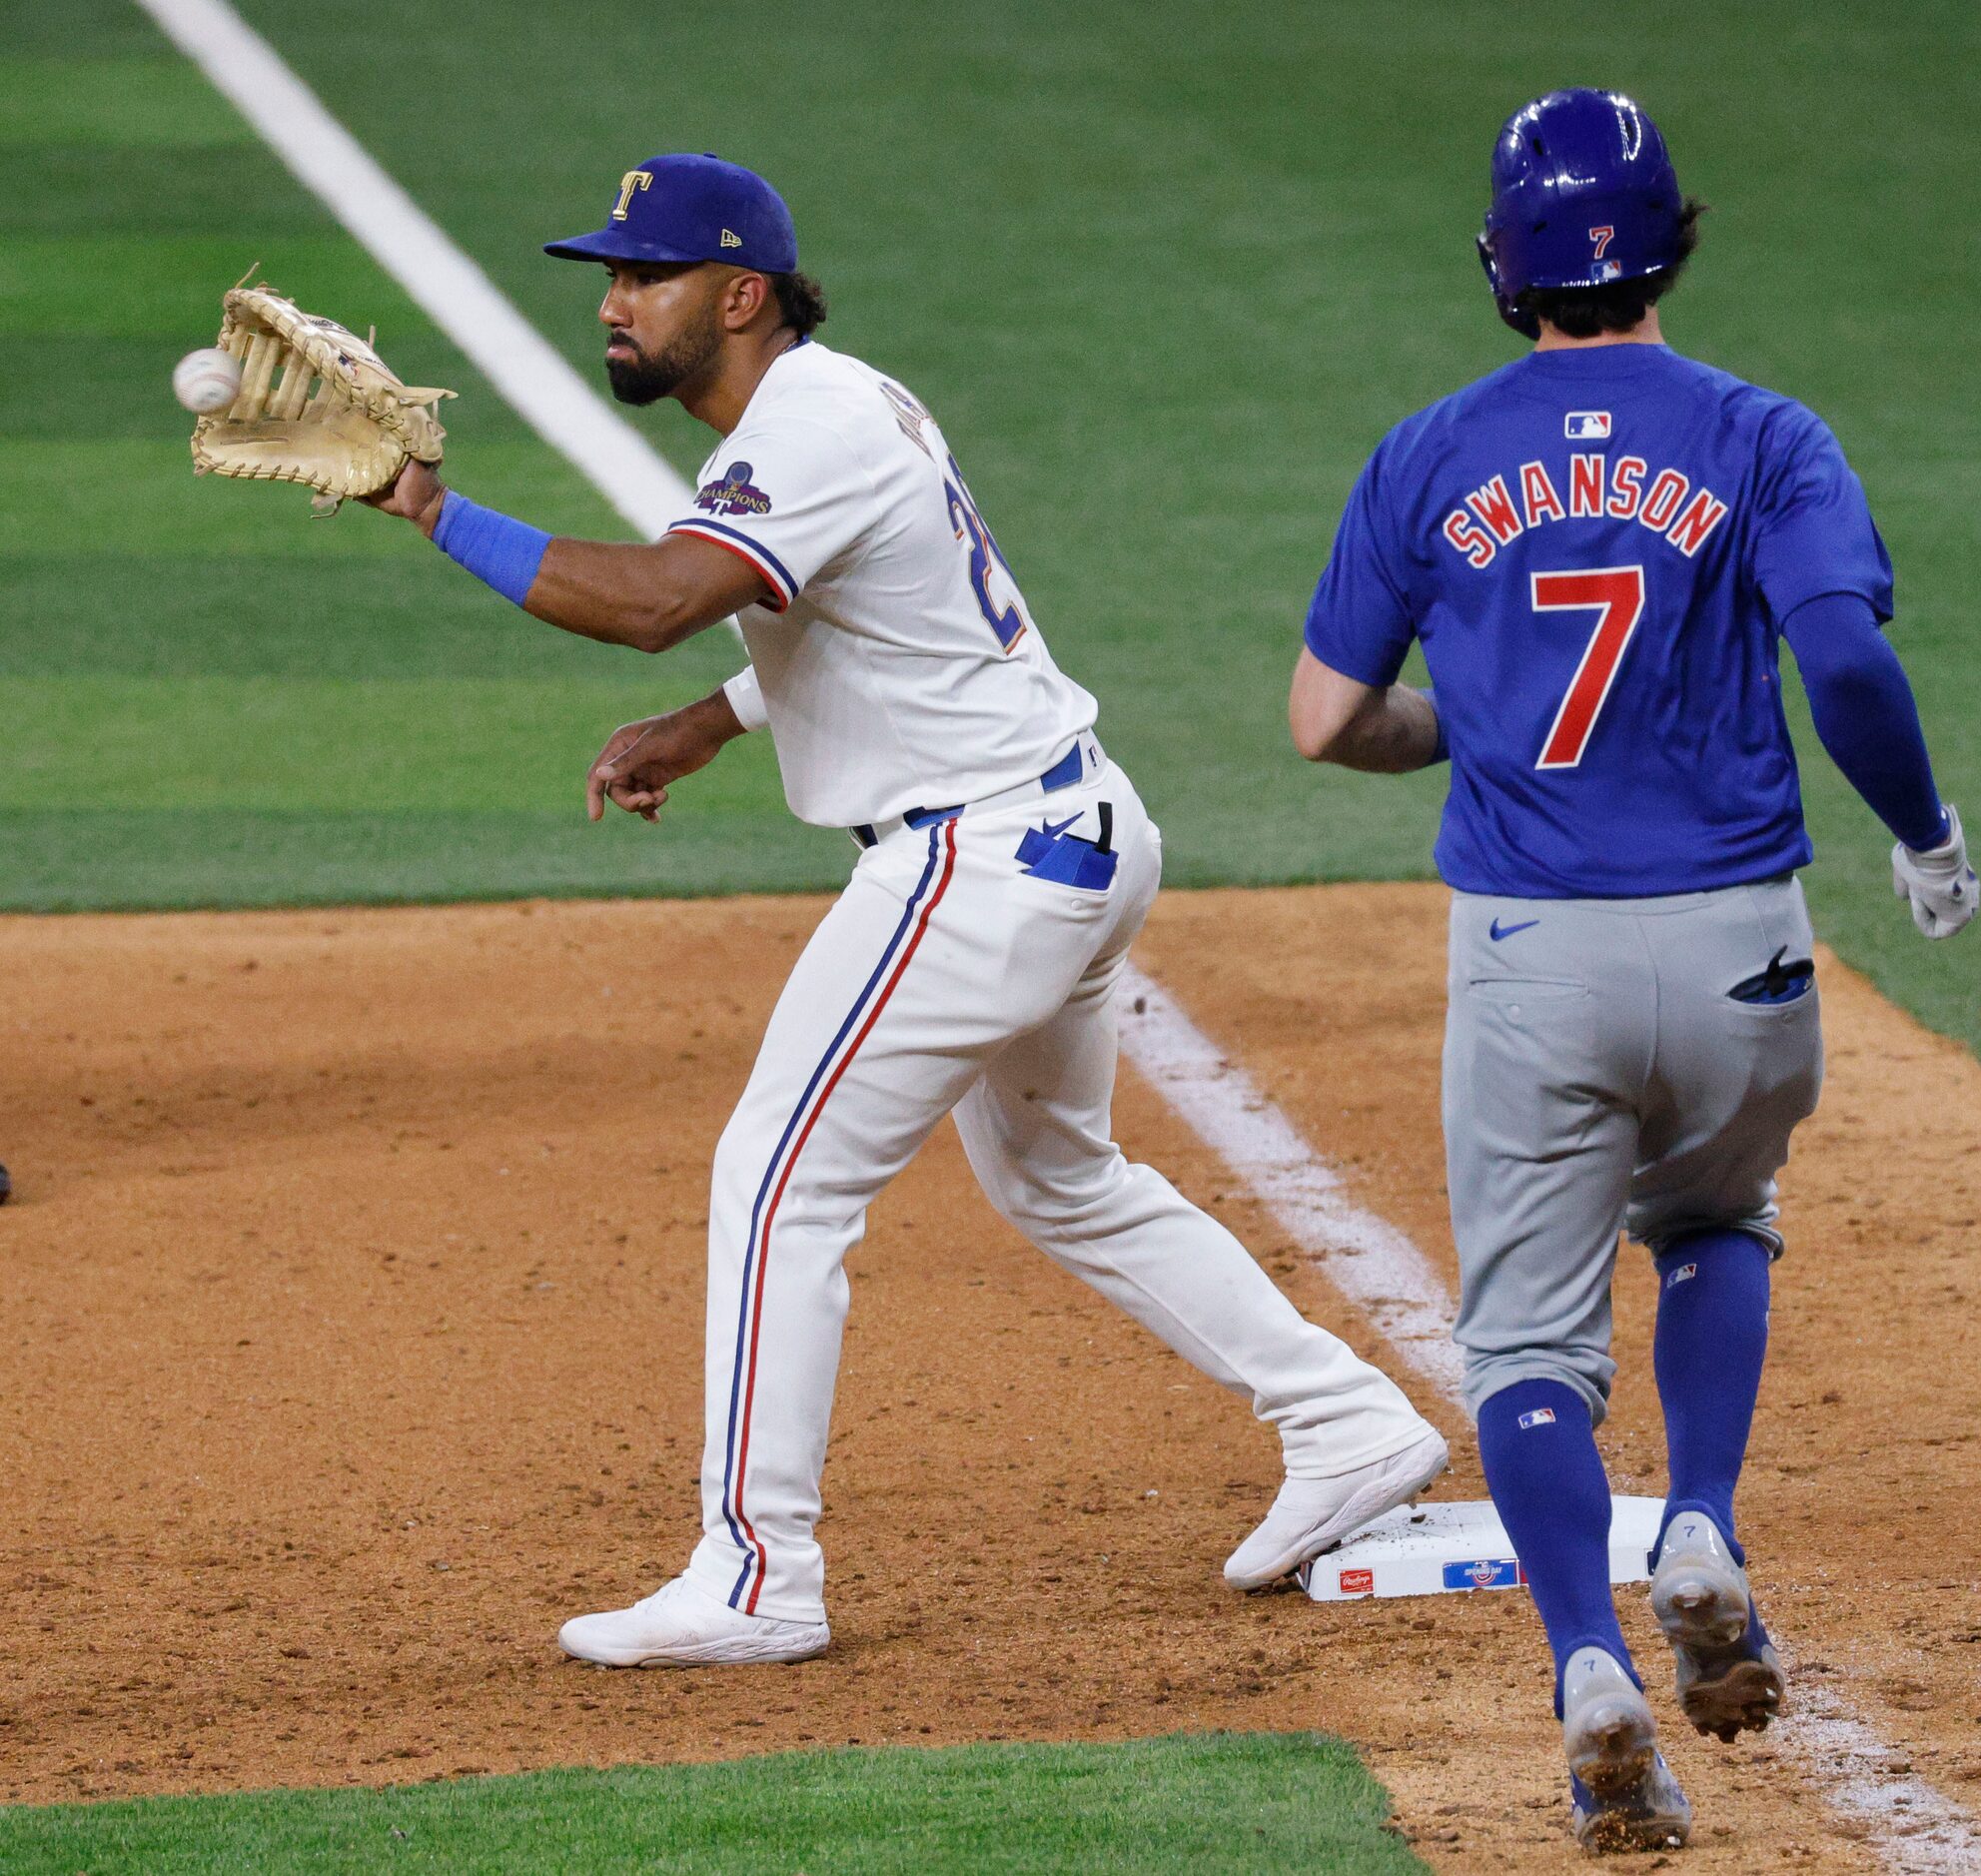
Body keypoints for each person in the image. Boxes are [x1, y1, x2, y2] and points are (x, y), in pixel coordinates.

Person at [362, 153, 1447, 1667]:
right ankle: (1347, 1422)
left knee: (774, 1178)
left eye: (642, 276)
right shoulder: (835, 404)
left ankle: (756, 1573)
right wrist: (717, 723)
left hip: (979, 863)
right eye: (606, 277)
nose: (611, 304)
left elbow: (650, 596)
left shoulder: (805, 427)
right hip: (1067, 824)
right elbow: (893, 620)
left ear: (738, 295)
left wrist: (432, 511)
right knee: (1061, 1180)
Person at [1287, 90, 1979, 1853]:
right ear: (1674, 242)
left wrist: (1485, 729)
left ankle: (1590, 1664)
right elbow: (1848, 670)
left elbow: (1324, 722)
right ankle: (1706, 1523)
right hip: (1744, 949)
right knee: (1720, 1222)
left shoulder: (1429, 451)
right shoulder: (1765, 435)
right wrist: (1923, 834)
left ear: (1502, 272)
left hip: (1533, 962)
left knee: (1526, 1336)